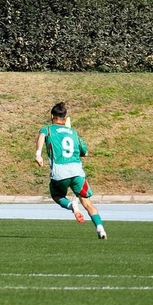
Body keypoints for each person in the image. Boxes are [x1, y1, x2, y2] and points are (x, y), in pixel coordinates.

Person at [35, 101, 107, 240]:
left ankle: (71, 205)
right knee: (88, 204)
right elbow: (85, 152)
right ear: (65, 117)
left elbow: (42, 136)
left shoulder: (48, 129)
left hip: (60, 172)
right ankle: (100, 228)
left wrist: (38, 154)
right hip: (77, 172)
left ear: (52, 116)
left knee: (57, 196)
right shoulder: (73, 132)